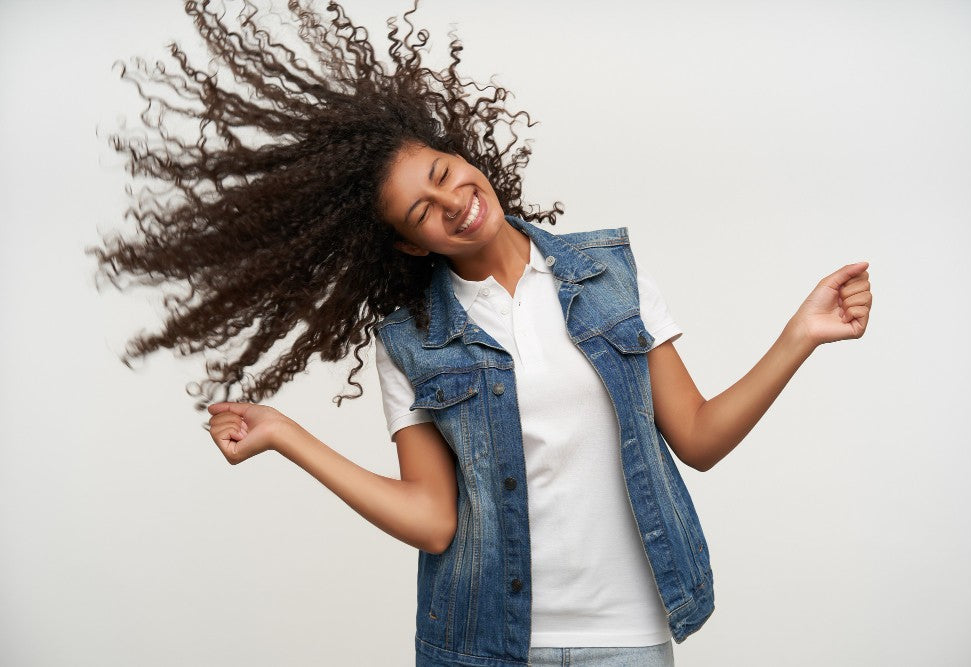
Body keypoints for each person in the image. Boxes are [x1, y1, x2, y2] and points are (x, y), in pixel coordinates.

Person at [88, 2, 873, 665]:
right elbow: (435, 520)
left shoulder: (608, 276)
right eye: (421, 211)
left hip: (629, 635)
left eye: (442, 172)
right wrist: (288, 436)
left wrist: (798, 334)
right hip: (492, 642)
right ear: (409, 244)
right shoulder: (412, 338)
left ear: (460, 151)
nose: (452, 201)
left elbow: (696, 436)